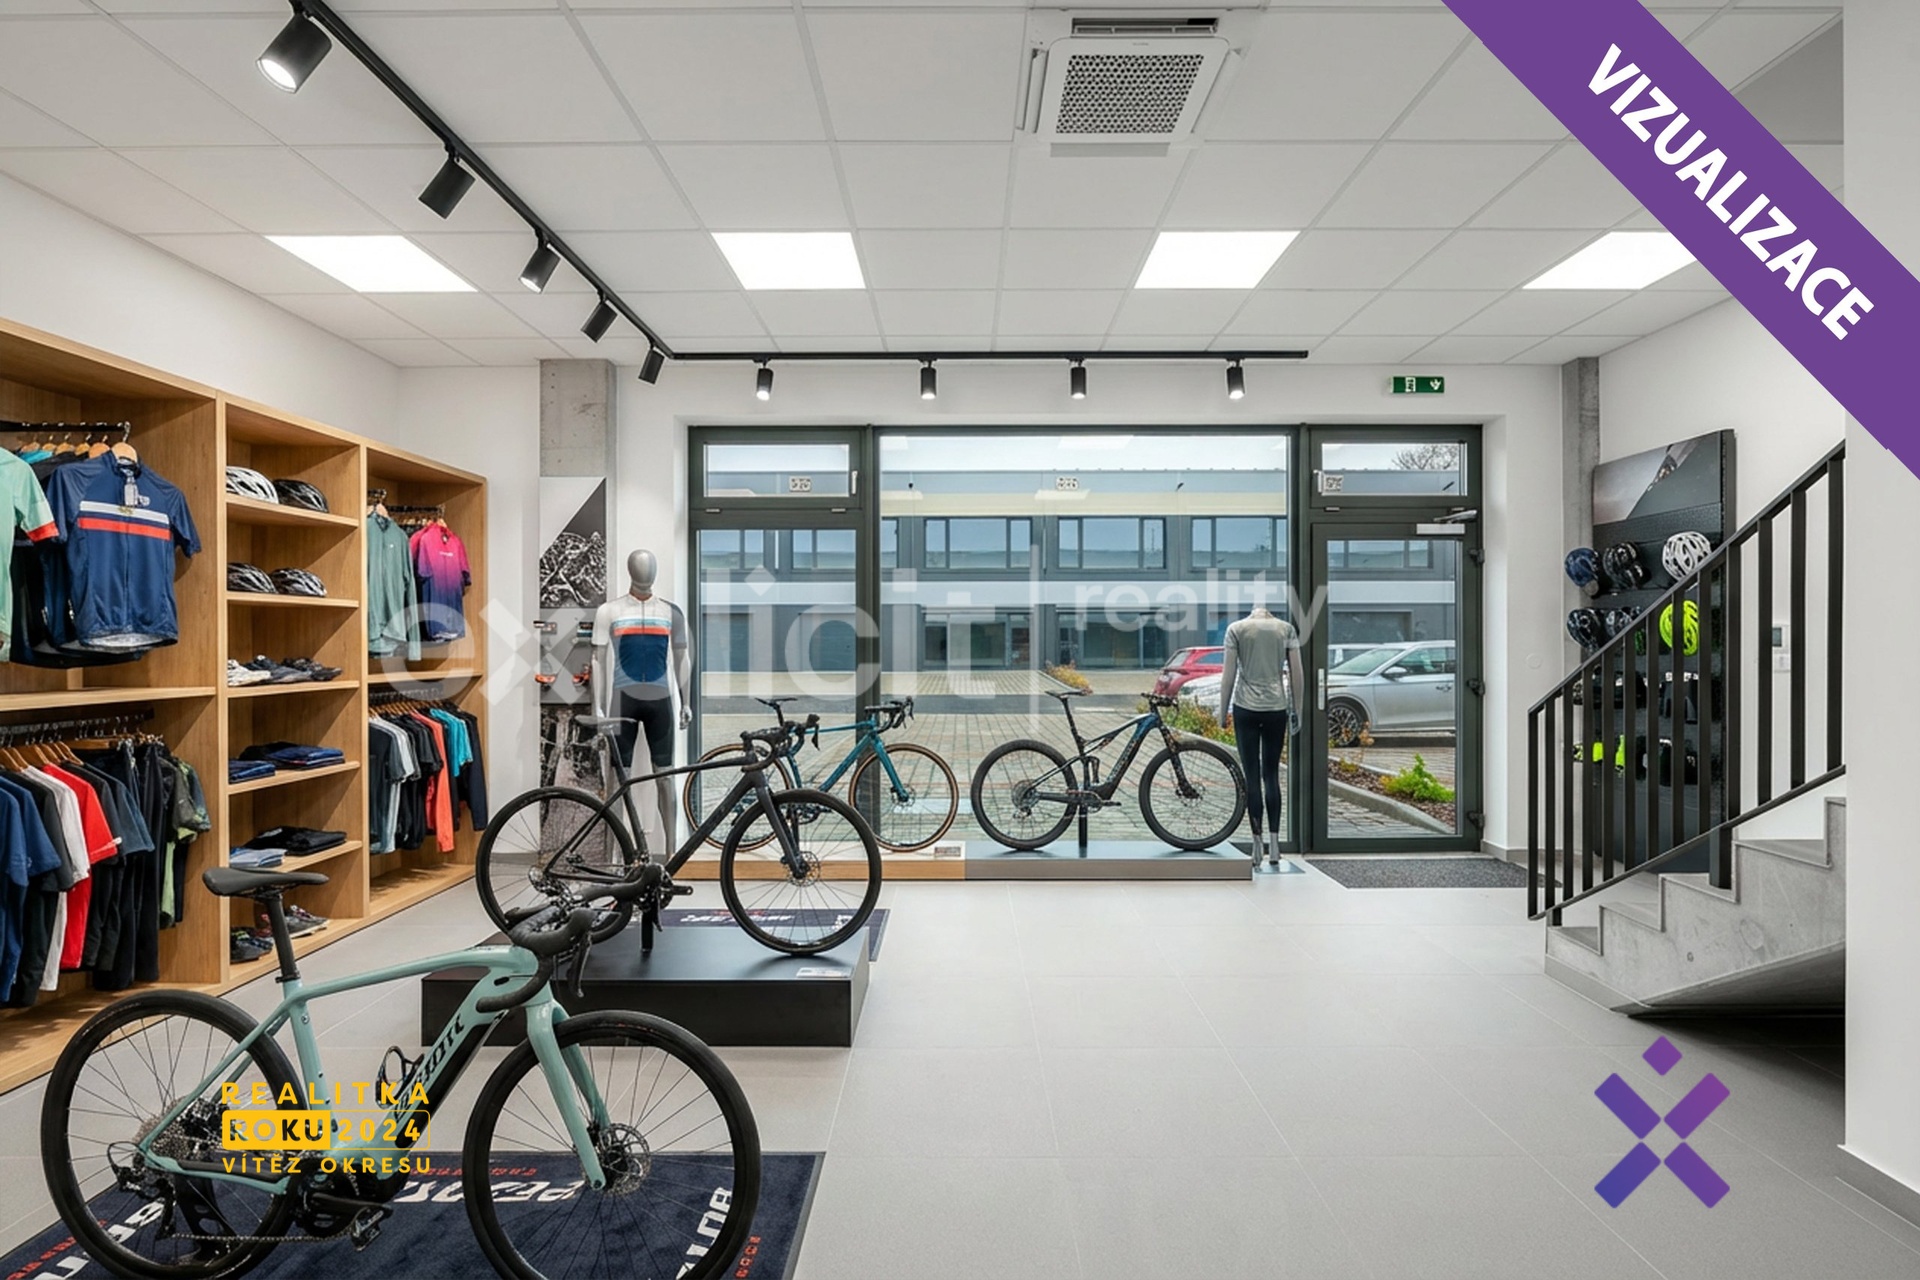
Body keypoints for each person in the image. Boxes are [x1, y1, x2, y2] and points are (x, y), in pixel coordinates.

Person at [1218, 604, 1306, 868]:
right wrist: (1298, 710)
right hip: (1276, 708)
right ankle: (1275, 845)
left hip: (1245, 708)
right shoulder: (1285, 629)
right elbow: (1297, 675)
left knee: (1252, 776)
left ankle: (1257, 844)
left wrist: (1222, 711)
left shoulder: (1237, 629)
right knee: (1271, 775)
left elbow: (1228, 675)